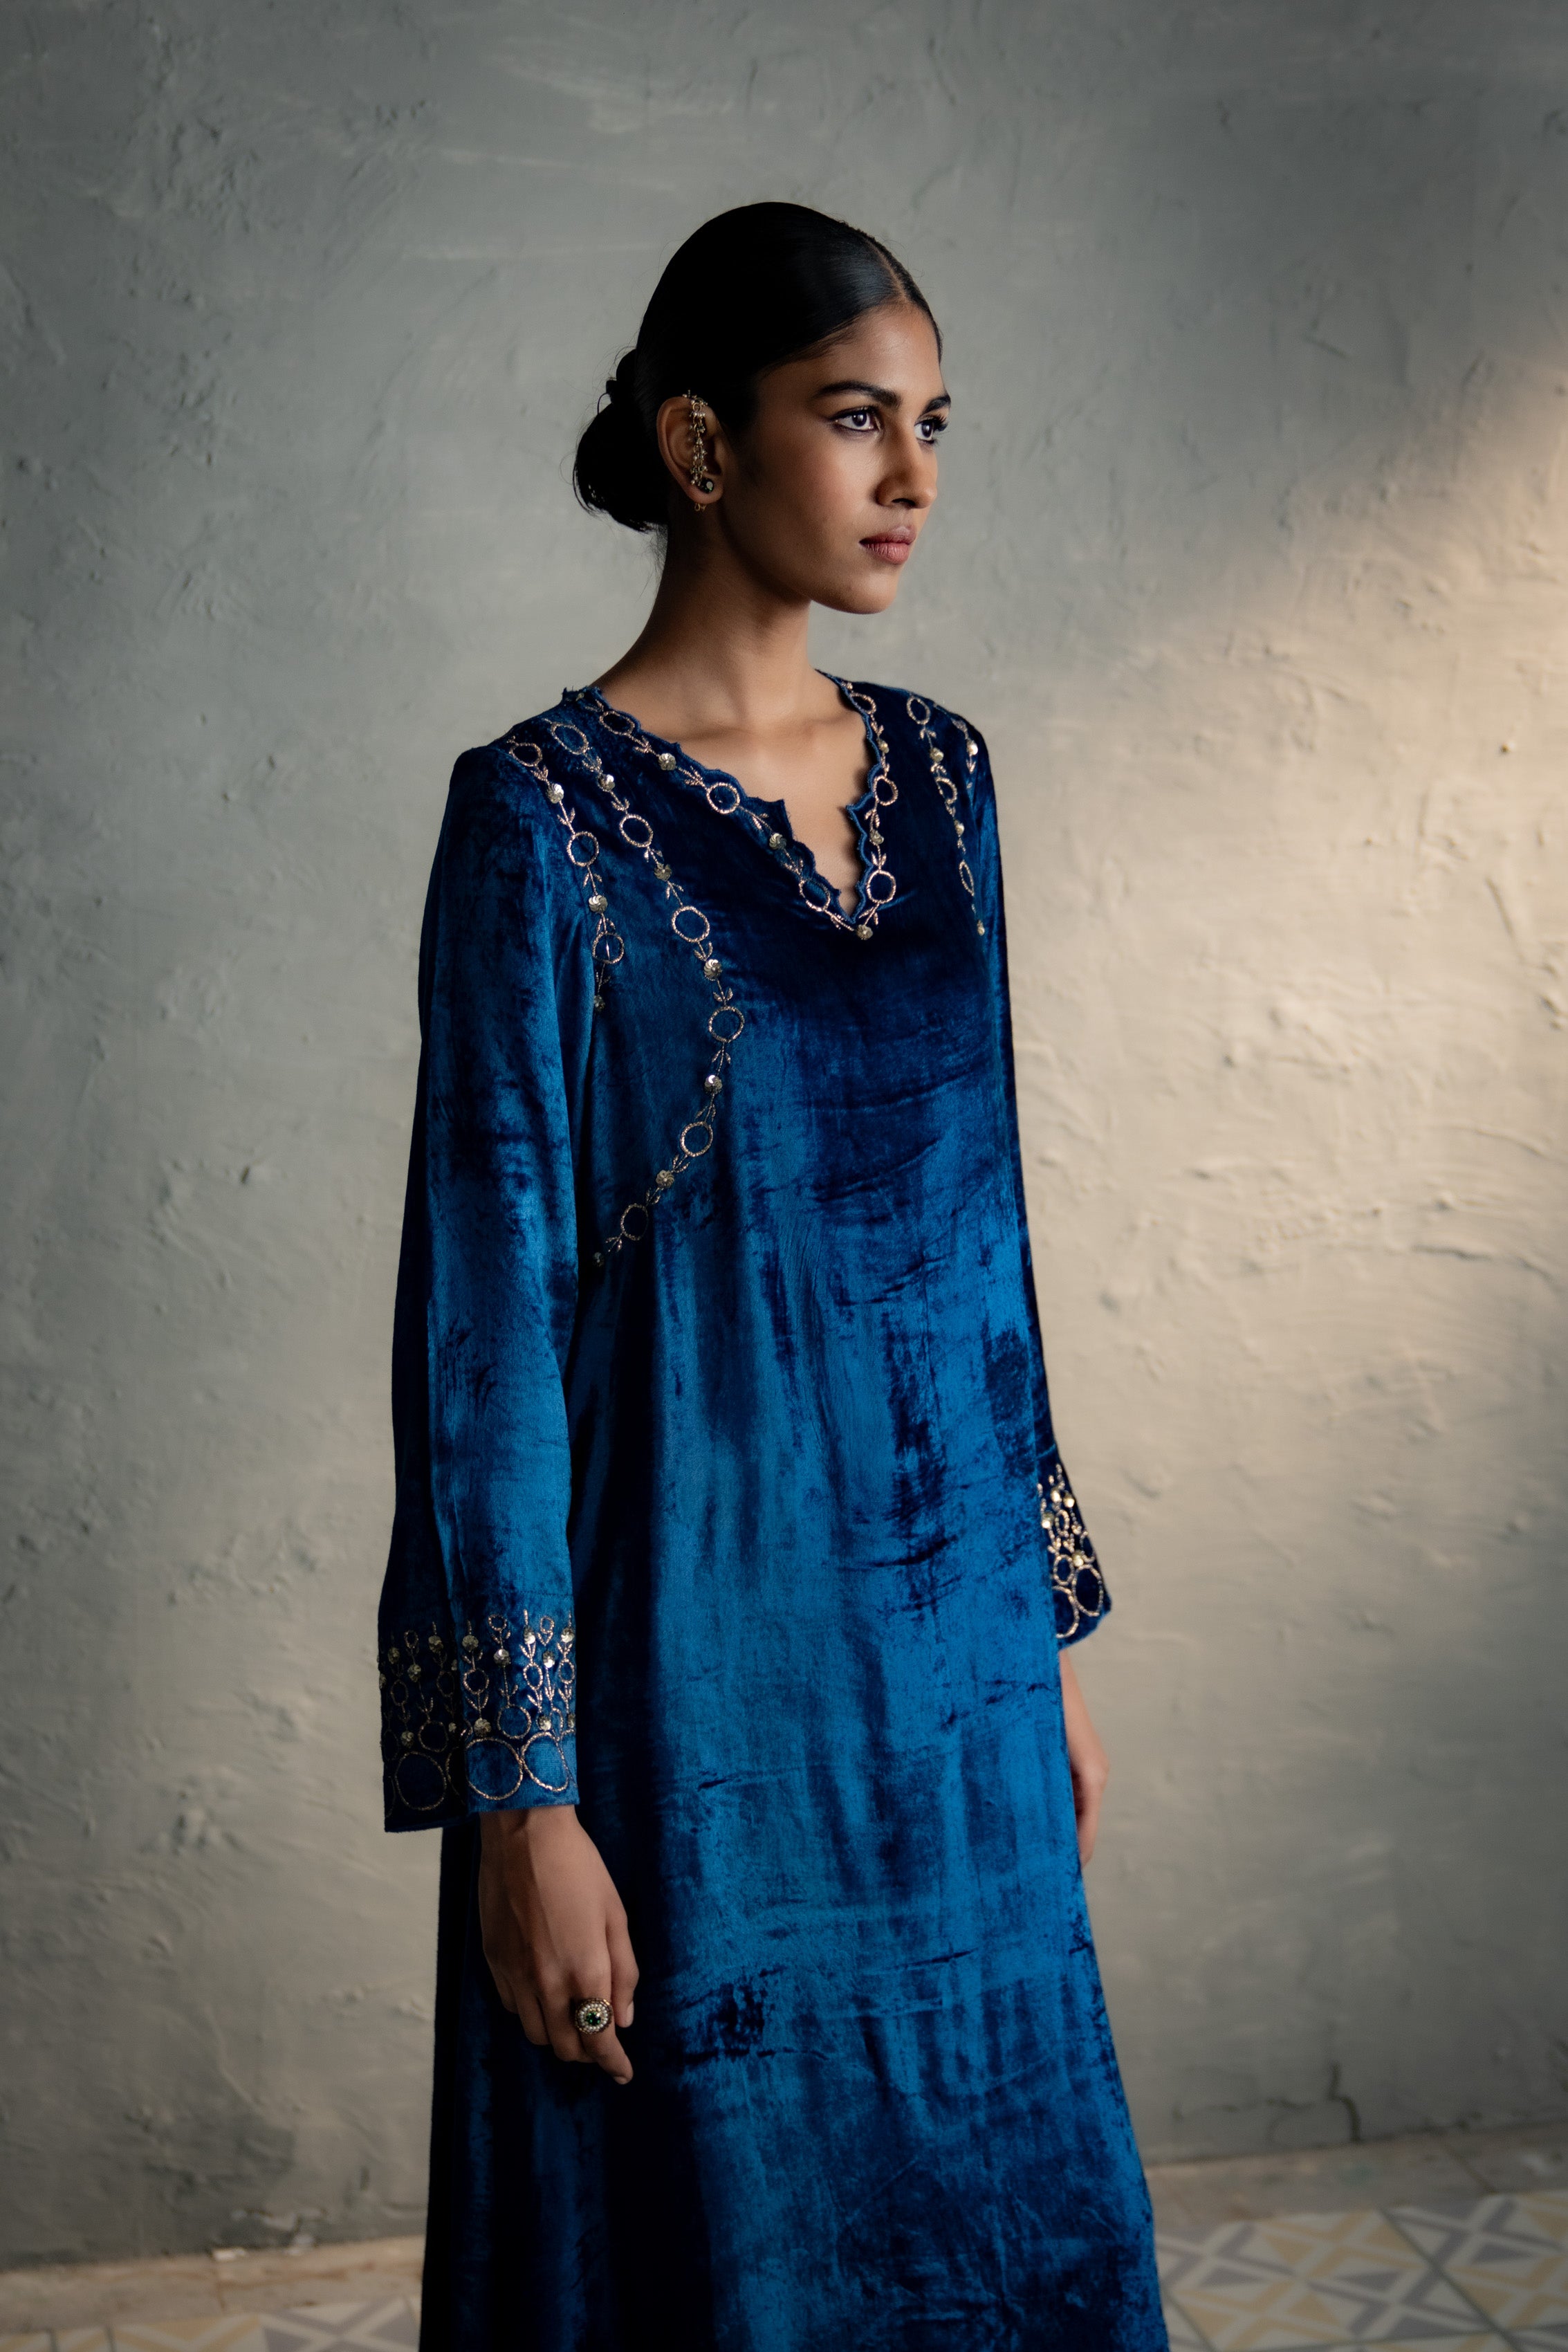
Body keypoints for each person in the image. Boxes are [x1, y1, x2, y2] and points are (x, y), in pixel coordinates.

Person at [378, 199, 1168, 2351]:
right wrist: (516, 1807)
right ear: (700, 447)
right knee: (709, 2246)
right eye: (852, 419)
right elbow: (485, 1345)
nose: (912, 476)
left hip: (955, 1679)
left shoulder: (942, 777)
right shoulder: (539, 827)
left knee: (1010, 2214)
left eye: (931, 424)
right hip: (696, 1698)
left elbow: (979, 1234)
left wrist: (1043, 1635)